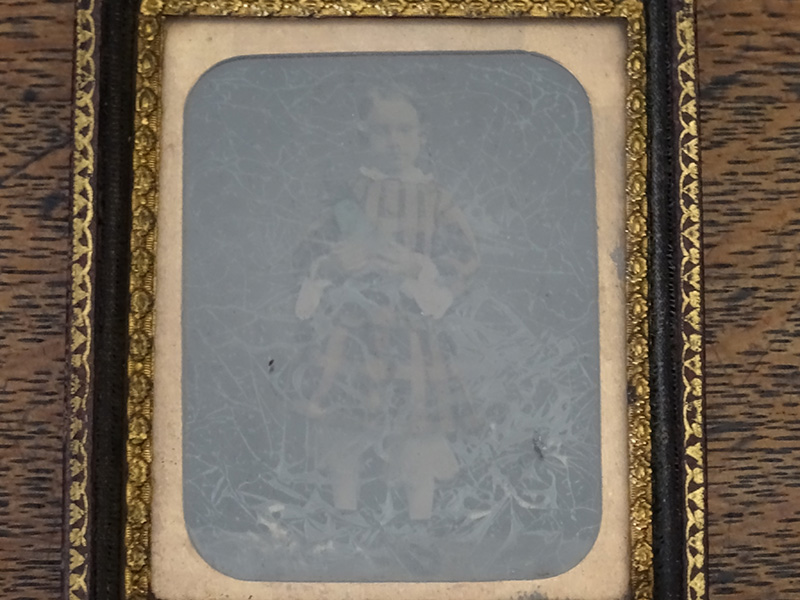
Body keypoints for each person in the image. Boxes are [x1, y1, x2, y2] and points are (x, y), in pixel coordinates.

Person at [292, 86, 479, 520]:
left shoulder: (435, 198)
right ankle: (345, 517)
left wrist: (418, 266)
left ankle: (419, 521)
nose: (394, 141)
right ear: (364, 133)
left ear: (422, 135)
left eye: (405, 130)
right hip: (354, 329)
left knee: (417, 425)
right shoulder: (349, 196)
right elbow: (309, 251)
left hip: (411, 329)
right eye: (382, 131)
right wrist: (332, 263)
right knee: (345, 421)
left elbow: (465, 256)